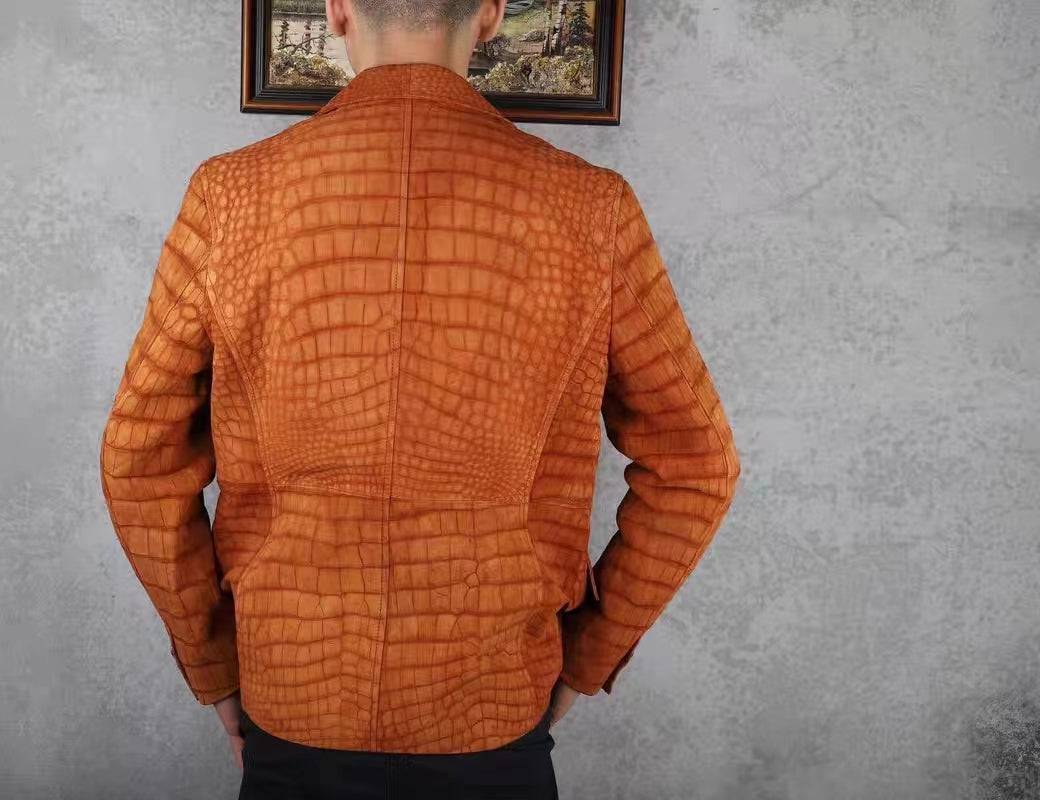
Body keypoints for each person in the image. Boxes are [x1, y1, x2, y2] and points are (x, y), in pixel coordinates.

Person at [97, 0, 742, 797]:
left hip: (294, 692)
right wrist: (586, 658)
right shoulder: (592, 207)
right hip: (492, 703)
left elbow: (138, 459)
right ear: (490, 14)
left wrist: (215, 665)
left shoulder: (228, 197)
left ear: (337, 10)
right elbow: (698, 464)